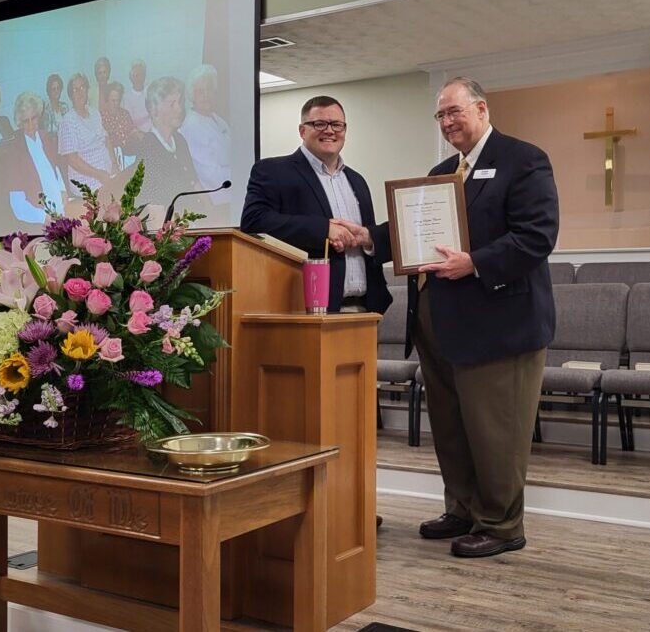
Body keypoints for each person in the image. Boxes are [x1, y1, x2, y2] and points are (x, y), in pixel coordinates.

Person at [360, 77, 559, 558]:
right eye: (440, 115)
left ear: (482, 109)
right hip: (441, 321)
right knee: (451, 427)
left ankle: (501, 524)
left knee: (495, 430)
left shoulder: (523, 160)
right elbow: (413, 229)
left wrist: (475, 262)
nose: (447, 122)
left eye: (455, 112)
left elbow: (537, 235)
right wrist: (367, 238)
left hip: (499, 324)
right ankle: (464, 509)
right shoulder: (443, 171)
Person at [241, 95, 392, 315]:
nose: (330, 131)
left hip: (365, 311)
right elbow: (253, 221)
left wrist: (368, 238)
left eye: (337, 124)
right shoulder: (272, 171)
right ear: (302, 131)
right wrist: (324, 229)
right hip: (308, 311)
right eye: (319, 124)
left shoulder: (357, 181)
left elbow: (367, 239)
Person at [123, 77, 202, 210]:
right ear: (154, 110)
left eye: (180, 102)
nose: (179, 109)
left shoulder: (179, 140)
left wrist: (210, 209)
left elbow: (193, 181)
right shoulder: (148, 148)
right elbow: (150, 203)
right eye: (172, 104)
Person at [3, 92, 68, 227]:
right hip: (38, 221)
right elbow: (17, 204)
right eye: (26, 121)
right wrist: (43, 217)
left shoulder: (46, 137)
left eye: (34, 118)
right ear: (19, 122)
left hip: (60, 210)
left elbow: (55, 169)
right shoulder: (14, 150)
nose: (31, 124)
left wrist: (63, 190)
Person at [57, 72, 118, 196]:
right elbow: (73, 160)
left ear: (87, 89)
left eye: (82, 87)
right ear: (71, 95)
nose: (80, 92)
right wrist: (99, 174)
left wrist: (114, 163)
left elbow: (106, 140)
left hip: (107, 172)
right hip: (87, 179)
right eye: (75, 90)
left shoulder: (95, 113)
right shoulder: (68, 121)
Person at [179, 64, 232, 190]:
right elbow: (211, 175)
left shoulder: (217, 119)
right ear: (192, 95)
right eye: (200, 91)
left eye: (209, 89)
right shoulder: (192, 126)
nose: (206, 95)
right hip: (216, 194)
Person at [101, 81, 136, 150]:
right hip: (111, 151)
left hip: (129, 149)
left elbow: (132, 131)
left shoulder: (125, 114)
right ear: (107, 99)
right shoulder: (101, 117)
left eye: (118, 100)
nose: (116, 103)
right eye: (113, 100)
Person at [122, 60, 152, 133]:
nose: (139, 78)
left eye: (141, 75)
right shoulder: (127, 97)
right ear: (131, 77)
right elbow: (130, 121)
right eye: (136, 75)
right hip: (138, 133)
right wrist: (148, 114)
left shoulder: (150, 91)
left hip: (155, 130)